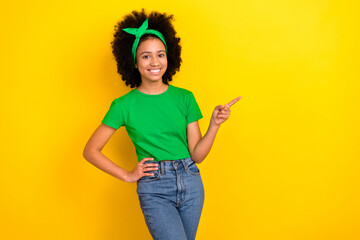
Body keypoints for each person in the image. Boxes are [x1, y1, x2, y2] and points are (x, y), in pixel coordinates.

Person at [83, 9, 241, 240]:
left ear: (169, 57)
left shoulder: (184, 98)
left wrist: (215, 124)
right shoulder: (123, 105)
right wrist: (127, 175)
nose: (155, 62)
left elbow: (197, 155)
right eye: (146, 56)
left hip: (190, 181)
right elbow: (90, 150)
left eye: (160, 54)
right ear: (134, 62)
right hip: (154, 187)